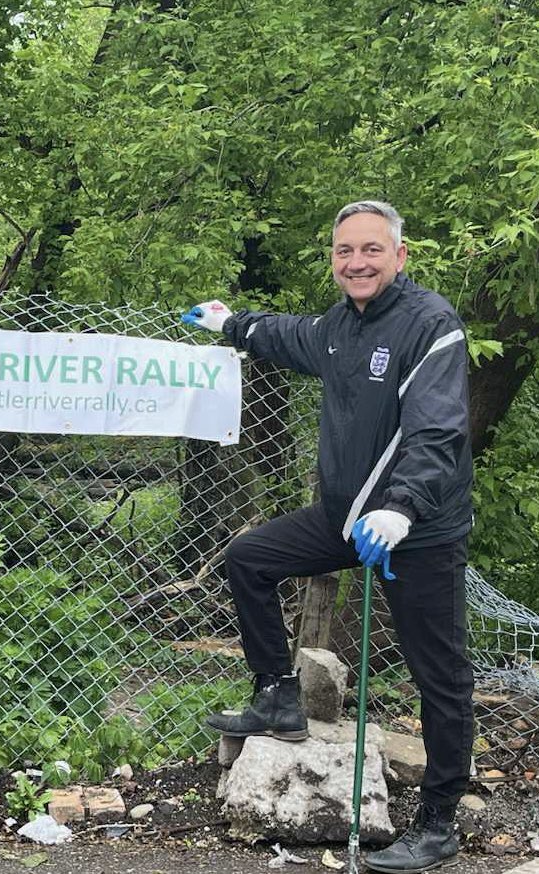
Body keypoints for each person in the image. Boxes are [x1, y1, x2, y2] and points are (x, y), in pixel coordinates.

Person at [182, 201, 474, 873]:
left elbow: (435, 433)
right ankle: (276, 699)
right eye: (345, 251)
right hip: (344, 519)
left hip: (415, 530)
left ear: (398, 256)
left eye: (371, 250)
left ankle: (437, 822)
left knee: (441, 677)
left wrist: (400, 508)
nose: (357, 262)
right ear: (334, 260)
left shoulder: (430, 326)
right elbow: (288, 335)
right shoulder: (340, 326)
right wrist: (233, 326)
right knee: (249, 558)